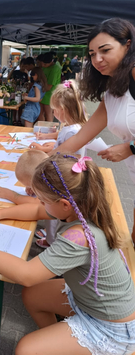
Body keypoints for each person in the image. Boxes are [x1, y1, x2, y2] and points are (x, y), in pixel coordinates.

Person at [0, 154, 135, 355]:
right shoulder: (79, 207)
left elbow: (27, 275)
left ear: (64, 203)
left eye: (42, 199)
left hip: (112, 329)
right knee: (32, 296)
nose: (39, 202)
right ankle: (58, 344)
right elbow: (35, 212)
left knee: (25, 349)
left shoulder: (78, 236)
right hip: (95, 301)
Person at [52, 18, 135, 245]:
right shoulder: (113, 92)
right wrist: (43, 166)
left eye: (105, 50)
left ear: (127, 46)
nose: (97, 59)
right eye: (91, 53)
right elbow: (80, 137)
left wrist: (130, 148)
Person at [29, 80, 88, 156]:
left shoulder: (72, 132)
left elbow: (69, 157)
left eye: (54, 109)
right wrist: (52, 143)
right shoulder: (69, 126)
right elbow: (63, 145)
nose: (53, 112)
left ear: (62, 110)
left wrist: (43, 150)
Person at [39, 52, 62, 122]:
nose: (43, 65)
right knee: (40, 114)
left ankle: (48, 131)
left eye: (45, 64)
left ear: (51, 62)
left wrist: (37, 90)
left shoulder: (55, 69)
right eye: (42, 63)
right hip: (42, 94)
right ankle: (41, 129)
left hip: (49, 95)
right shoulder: (44, 67)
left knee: (48, 114)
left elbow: (49, 87)